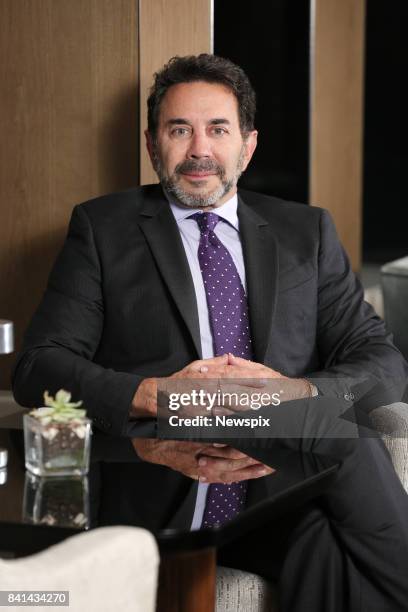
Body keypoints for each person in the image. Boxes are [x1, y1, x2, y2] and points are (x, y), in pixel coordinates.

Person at [12, 54, 408, 610]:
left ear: (247, 145)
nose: (199, 149)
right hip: (164, 474)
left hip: (278, 485)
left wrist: (291, 398)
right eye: (180, 130)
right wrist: (155, 396)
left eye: (218, 129)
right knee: (354, 455)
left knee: (330, 514)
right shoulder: (103, 230)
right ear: (153, 145)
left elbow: (382, 361)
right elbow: (38, 367)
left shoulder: (305, 232)